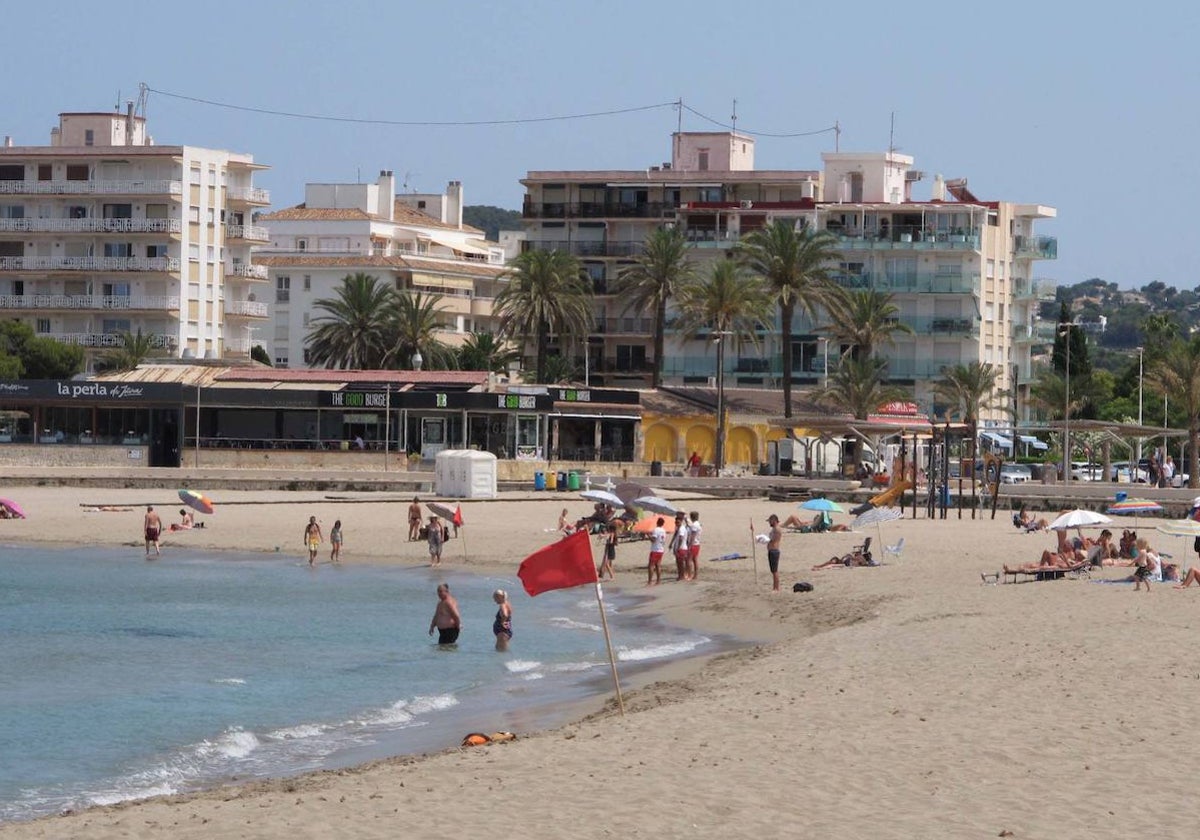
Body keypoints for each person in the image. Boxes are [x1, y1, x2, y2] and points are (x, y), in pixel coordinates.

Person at [669, 511, 690, 581]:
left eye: (678, 522)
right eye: (676, 522)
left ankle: (682, 575)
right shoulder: (678, 528)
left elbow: (681, 538)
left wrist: (678, 547)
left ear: (681, 521)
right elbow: (675, 535)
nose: (676, 524)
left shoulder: (682, 528)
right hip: (679, 547)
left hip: (682, 548)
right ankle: (680, 575)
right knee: (678, 563)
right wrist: (671, 543)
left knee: (681, 563)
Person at [647, 517, 666, 586]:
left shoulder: (656, 530)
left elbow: (653, 540)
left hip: (655, 549)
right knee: (658, 565)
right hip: (661, 549)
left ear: (657, 522)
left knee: (651, 566)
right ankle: (658, 580)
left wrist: (648, 535)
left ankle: (650, 581)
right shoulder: (663, 530)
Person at [766, 514, 783, 592]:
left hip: (774, 551)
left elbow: (773, 540)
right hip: (771, 550)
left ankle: (776, 588)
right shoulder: (774, 529)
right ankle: (775, 587)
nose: (769, 523)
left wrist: (765, 539)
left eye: (770, 521)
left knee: (775, 571)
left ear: (774, 521)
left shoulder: (777, 529)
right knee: (773, 571)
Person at [687, 511, 702, 581]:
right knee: (695, 560)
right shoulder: (698, 524)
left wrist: (690, 545)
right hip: (697, 544)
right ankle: (695, 575)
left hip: (693, 544)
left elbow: (693, 536)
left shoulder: (694, 525)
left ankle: (690, 575)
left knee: (689, 560)